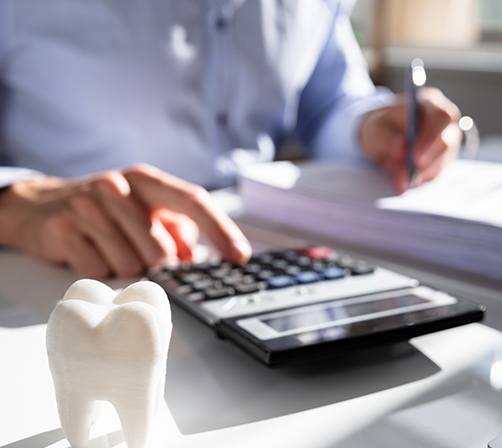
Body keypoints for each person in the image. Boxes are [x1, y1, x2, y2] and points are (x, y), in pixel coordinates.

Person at [0, 1, 461, 278]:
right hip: (73, 271)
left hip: (266, 255)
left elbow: (326, 104)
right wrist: (15, 205)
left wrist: (371, 128)